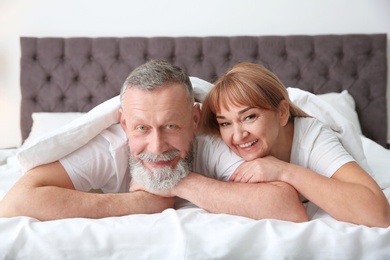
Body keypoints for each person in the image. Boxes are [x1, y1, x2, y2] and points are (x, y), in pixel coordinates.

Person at [0, 60, 307, 222]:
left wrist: (178, 184)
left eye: (171, 125)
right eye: (142, 128)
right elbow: (15, 201)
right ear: (124, 124)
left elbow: (288, 208)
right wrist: (136, 203)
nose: (157, 146)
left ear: (196, 119)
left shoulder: (217, 137)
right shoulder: (110, 145)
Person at [200, 62, 390, 227]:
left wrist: (285, 171)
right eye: (225, 123)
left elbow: (379, 215)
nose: (238, 136)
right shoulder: (222, 144)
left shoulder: (311, 137)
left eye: (249, 117)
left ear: (282, 113)